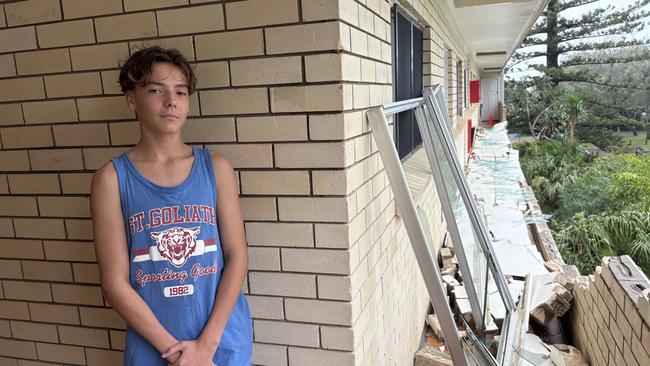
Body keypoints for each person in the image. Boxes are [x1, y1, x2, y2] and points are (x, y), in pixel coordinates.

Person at [90, 46, 253, 366]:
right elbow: (114, 282)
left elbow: (237, 256)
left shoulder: (216, 168)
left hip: (221, 341)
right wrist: (176, 353)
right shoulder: (111, 179)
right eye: (155, 90)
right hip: (153, 347)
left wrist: (206, 345)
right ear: (131, 99)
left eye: (180, 91)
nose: (171, 101)